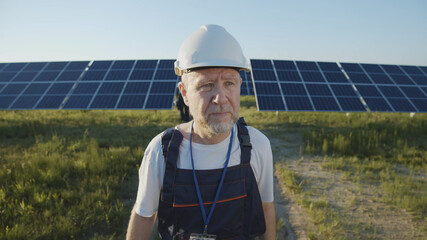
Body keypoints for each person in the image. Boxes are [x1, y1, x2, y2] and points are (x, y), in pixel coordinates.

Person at [126, 24, 276, 240]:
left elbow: (266, 207)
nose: (221, 97)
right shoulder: (162, 151)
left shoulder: (257, 145)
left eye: (229, 83)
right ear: (185, 94)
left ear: (240, 86)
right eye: (206, 85)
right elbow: (144, 217)